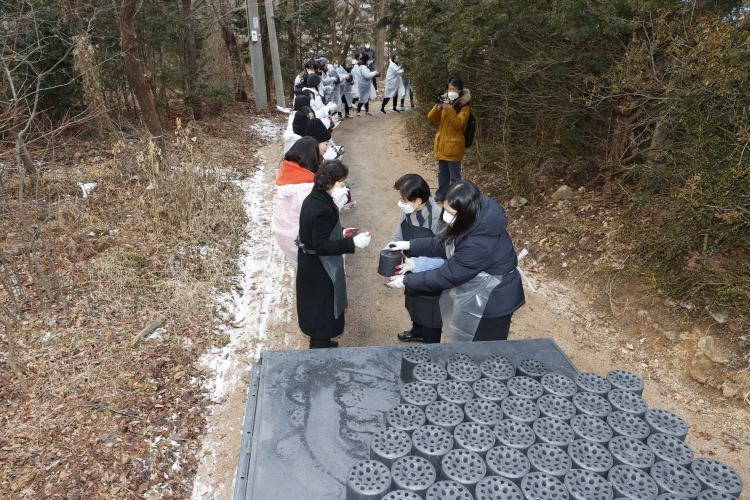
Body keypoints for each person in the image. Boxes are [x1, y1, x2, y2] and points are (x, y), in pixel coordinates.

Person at [386, 180, 525, 342]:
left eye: (451, 213)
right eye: (445, 209)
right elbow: (444, 242)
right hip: (478, 290)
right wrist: (409, 244)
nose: (445, 216)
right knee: (468, 341)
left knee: (485, 348)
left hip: (493, 301)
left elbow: (446, 276)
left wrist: (406, 280)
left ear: (466, 212)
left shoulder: (478, 242)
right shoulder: (471, 218)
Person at [296, 160, 372, 348]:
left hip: (309, 264)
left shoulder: (315, 197)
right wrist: (352, 242)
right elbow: (321, 245)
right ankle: (320, 349)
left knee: (316, 309)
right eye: (342, 184)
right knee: (322, 310)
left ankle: (320, 341)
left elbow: (318, 233)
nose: (344, 189)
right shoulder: (322, 208)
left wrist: (343, 233)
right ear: (329, 182)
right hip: (320, 268)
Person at [388, 174, 444, 343]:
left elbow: (443, 255)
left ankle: (431, 345)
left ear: (418, 201)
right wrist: (387, 251)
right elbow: (399, 235)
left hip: (432, 270)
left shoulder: (438, 218)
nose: (400, 203)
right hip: (410, 265)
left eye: (403, 200)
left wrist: (415, 264)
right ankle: (417, 331)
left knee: (431, 310)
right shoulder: (407, 211)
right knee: (414, 300)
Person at [273, 137, 321, 267]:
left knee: (299, 267)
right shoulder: (307, 188)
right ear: (313, 157)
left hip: (282, 236)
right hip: (298, 241)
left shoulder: (285, 177)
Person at [428, 75, 471, 202]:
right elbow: (431, 118)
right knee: (442, 174)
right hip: (442, 144)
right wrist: (438, 107)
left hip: (454, 146)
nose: (451, 92)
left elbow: (458, 124)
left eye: (454, 89)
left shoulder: (465, 106)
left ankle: (457, 199)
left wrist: (448, 109)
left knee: (455, 177)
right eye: (449, 89)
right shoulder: (446, 101)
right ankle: (441, 195)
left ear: (460, 90)